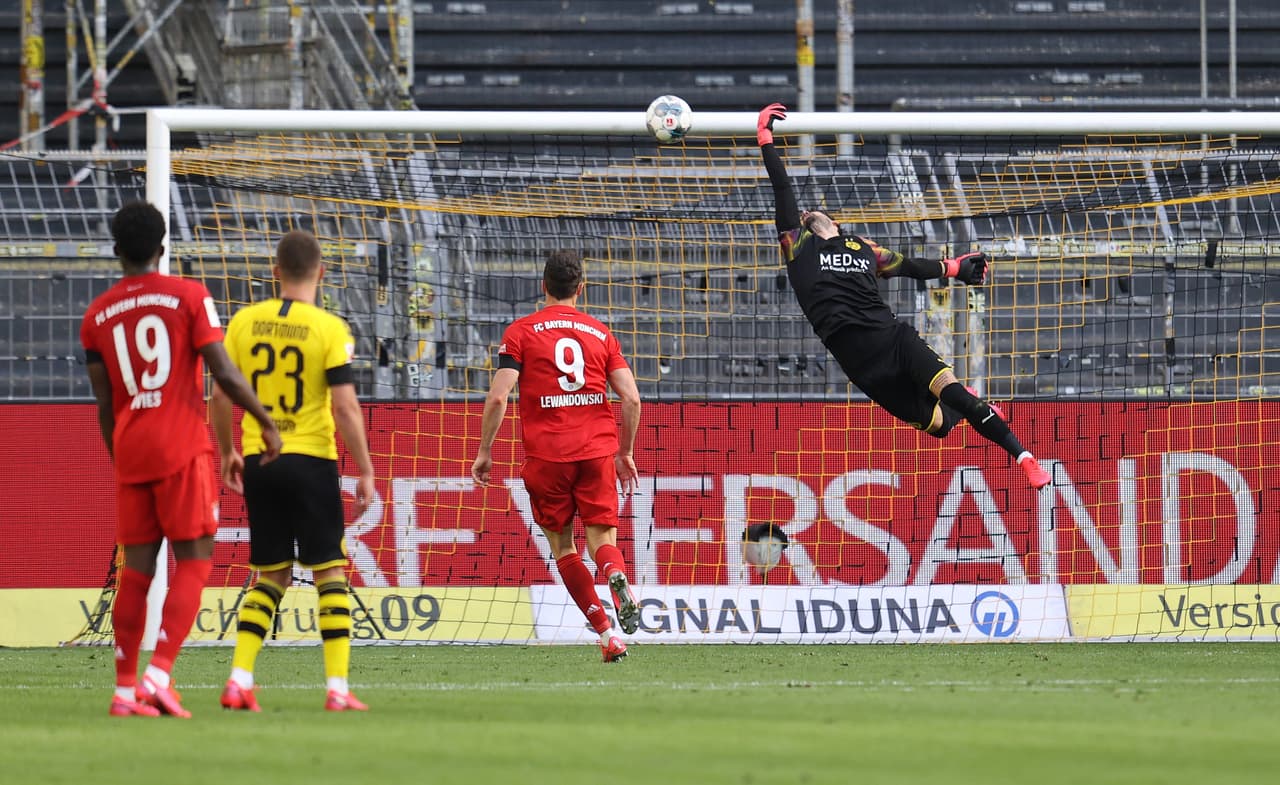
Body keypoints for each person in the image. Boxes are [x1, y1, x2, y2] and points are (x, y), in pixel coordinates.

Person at [755, 103, 1051, 490]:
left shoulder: (863, 248)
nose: (811, 213)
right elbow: (782, 188)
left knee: (955, 395)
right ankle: (973, 403)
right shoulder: (797, 247)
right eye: (807, 214)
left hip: (895, 341)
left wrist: (955, 269)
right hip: (863, 368)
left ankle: (1025, 459)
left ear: (838, 224)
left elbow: (909, 265)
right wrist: (765, 139)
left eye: (818, 213)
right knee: (941, 426)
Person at [80, 200, 283, 718]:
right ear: (164, 247)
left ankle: (124, 692)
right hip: (181, 446)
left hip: (131, 449)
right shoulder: (189, 295)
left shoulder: (95, 316)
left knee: (137, 572)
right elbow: (225, 373)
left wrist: (118, 457)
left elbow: (105, 404)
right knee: (194, 561)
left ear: (117, 250)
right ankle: (158, 675)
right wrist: (262, 419)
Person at [210, 229, 376, 712]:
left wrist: (226, 451)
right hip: (311, 460)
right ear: (321, 273)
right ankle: (338, 689)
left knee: (270, 575)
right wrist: (364, 468)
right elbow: (344, 406)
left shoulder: (243, 322)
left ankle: (240, 678)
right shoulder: (329, 328)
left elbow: (220, 395)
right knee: (330, 573)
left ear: (276, 272)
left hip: (261, 460)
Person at [471, 250, 643, 662]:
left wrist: (484, 451)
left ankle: (607, 636)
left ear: (543, 286)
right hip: (596, 451)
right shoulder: (602, 334)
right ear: (580, 289)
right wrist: (625, 452)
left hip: (548, 457)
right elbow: (632, 398)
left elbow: (498, 396)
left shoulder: (520, 332)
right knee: (602, 538)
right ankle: (615, 574)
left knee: (564, 548)